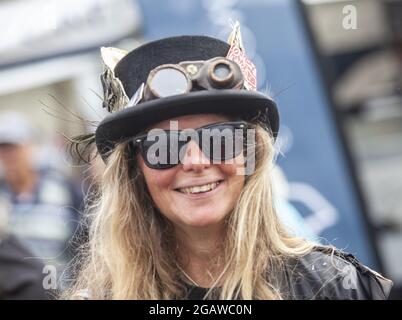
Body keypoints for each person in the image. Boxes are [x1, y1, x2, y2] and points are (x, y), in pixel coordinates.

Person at [65, 32, 393, 300]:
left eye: (220, 139)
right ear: (134, 172)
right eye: (164, 146)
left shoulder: (335, 286)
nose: (195, 161)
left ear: (250, 155)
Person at [0, 112, 82, 278]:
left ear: (30, 147)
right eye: (3, 150)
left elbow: (83, 241)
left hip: (62, 287)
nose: (9, 156)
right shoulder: (2, 196)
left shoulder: (61, 188)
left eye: (14, 149)